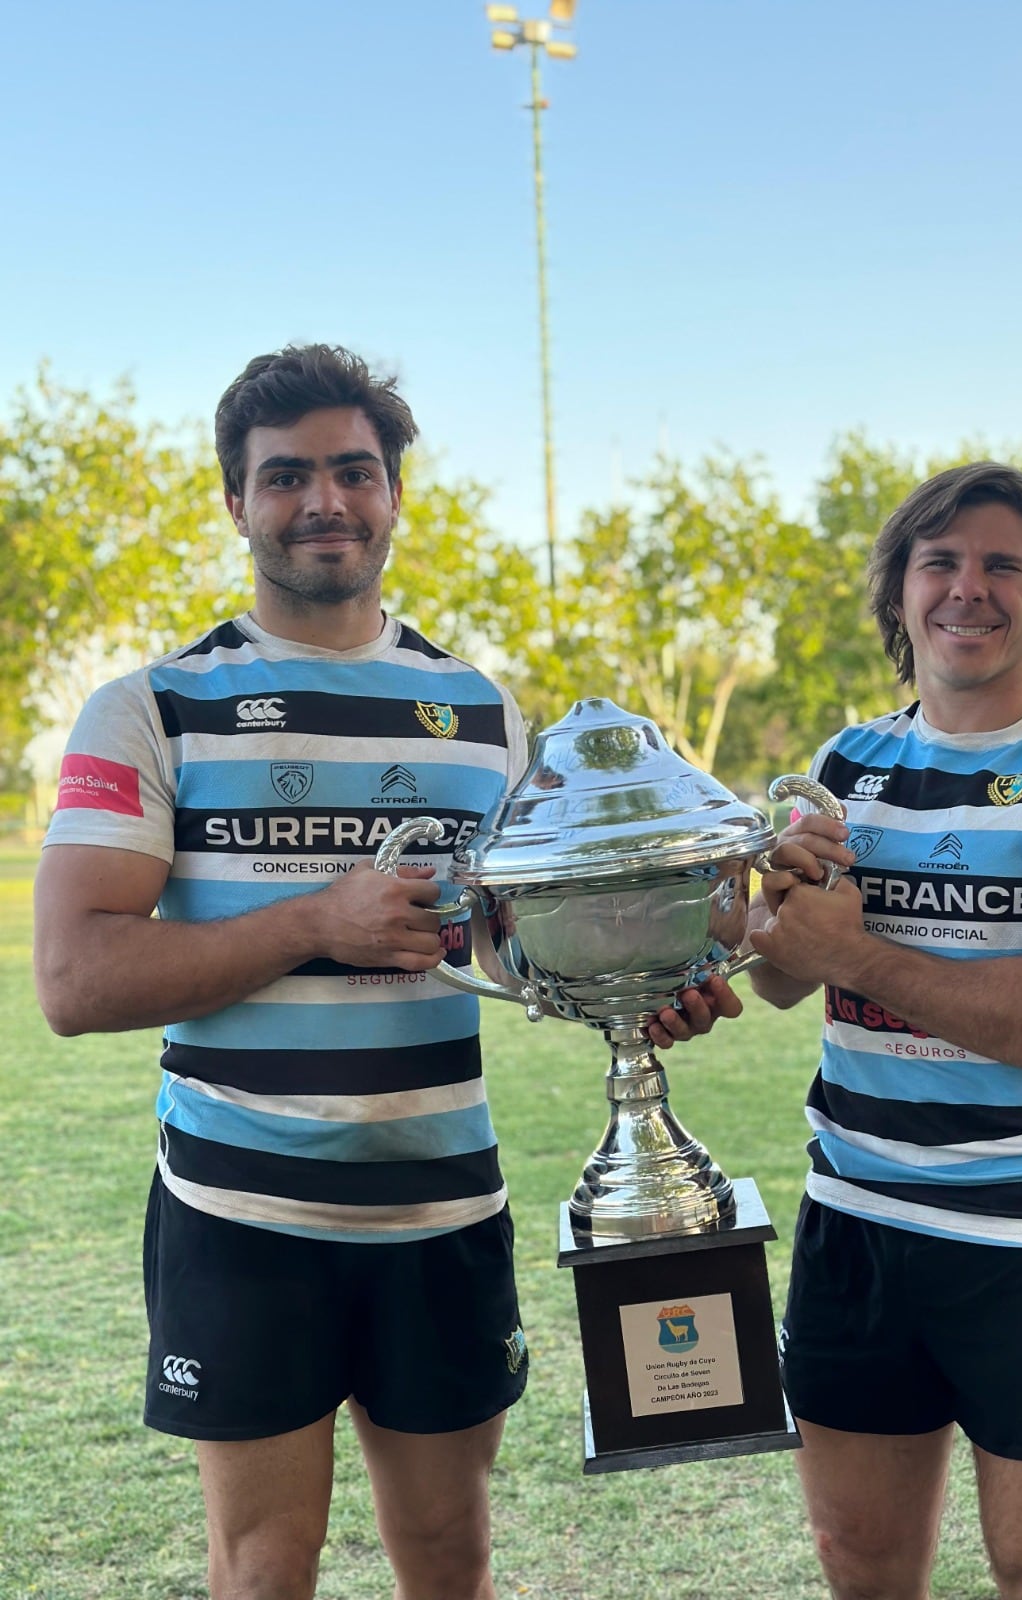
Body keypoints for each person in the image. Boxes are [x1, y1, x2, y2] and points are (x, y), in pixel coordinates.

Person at [33, 344, 533, 1600]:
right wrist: (320, 920)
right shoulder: (153, 707)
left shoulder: (482, 715)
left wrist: (651, 976)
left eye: (355, 471)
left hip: (442, 1206)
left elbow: (521, 944)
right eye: (287, 475)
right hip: (240, 1214)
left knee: (451, 1557)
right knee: (264, 1567)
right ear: (235, 499)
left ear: (396, 493)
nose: (326, 501)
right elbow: (75, 977)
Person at [745, 462, 1022, 1600]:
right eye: (939, 562)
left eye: (1002, 566)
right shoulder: (844, 766)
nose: (966, 589)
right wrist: (754, 916)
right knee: (862, 1565)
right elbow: (777, 977)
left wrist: (850, 952)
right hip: (857, 1223)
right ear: (900, 593)